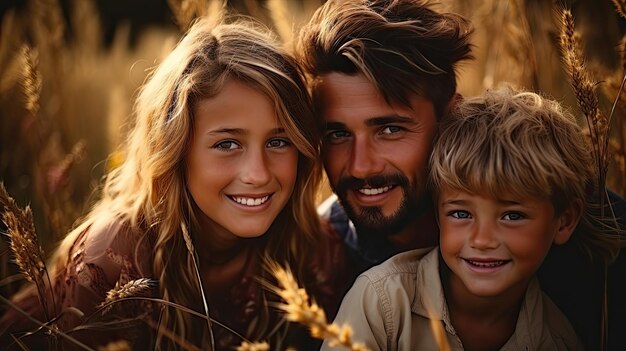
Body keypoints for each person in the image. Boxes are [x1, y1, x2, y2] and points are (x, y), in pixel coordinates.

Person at [297, 0, 626, 349]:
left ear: (450, 116)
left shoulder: (589, 229)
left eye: (390, 129)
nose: (361, 166)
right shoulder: (315, 260)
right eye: (337, 134)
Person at [0, 15, 342, 350]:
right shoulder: (112, 262)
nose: (258, 174)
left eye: (278, 141)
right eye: (227, 144)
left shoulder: (313, 250)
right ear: (176, 152)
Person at [323, 85, 624, 350]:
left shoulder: (558, 339)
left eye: (512, 216)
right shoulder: (381, 302)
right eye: (461, 213)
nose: (482, 240)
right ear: (437, 212)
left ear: (565, 220)